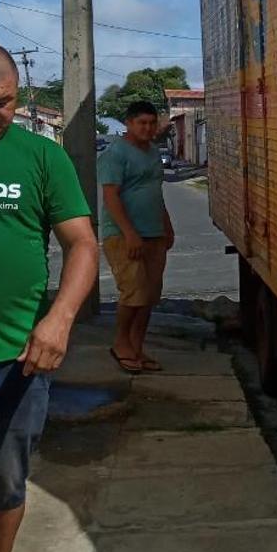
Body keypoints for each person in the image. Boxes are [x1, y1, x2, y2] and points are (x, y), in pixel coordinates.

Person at [0, 41, 98, 552]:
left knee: (3, 483)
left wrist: (60, 320)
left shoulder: (42, 157)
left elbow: (82, 244)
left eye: (2, 101)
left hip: (17, 360)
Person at [99, 101, 175, 374]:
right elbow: (111, 196)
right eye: (141, 123)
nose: (147, 128)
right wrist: (130, 233)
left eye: (152, 123)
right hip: (123, 236)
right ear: (129, 124)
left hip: (154, 233)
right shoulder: (115, 153)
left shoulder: (154, 153)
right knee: (134, 293)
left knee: (150, 295)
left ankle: (136, 347)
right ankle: (121, 344)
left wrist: (167, 226)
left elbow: (155, 191)